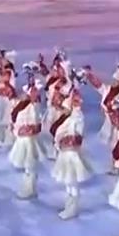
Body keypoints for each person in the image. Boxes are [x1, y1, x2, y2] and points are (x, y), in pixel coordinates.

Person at [50, 87, 90, 220]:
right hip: (65, 153)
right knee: (68, 182)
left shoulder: (76, 118)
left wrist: (76, 107)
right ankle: (69, 206)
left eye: (65, 108)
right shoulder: (66, 118)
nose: (63, 110)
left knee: (72, 182)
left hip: (72, 154)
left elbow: (77, 129)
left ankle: (72, 209)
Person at [7, 82, 45, 200]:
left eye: (36, 91)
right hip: (24, 140)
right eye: (33, 92)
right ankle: (28, 188)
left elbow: (39, 122)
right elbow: (15, 122)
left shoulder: (36, 106)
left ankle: (31, 188)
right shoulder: (23, 107)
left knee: (31, 165)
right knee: (28, 165)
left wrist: (35, 128)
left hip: (33, 139)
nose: (35, 94)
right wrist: (22, 130)